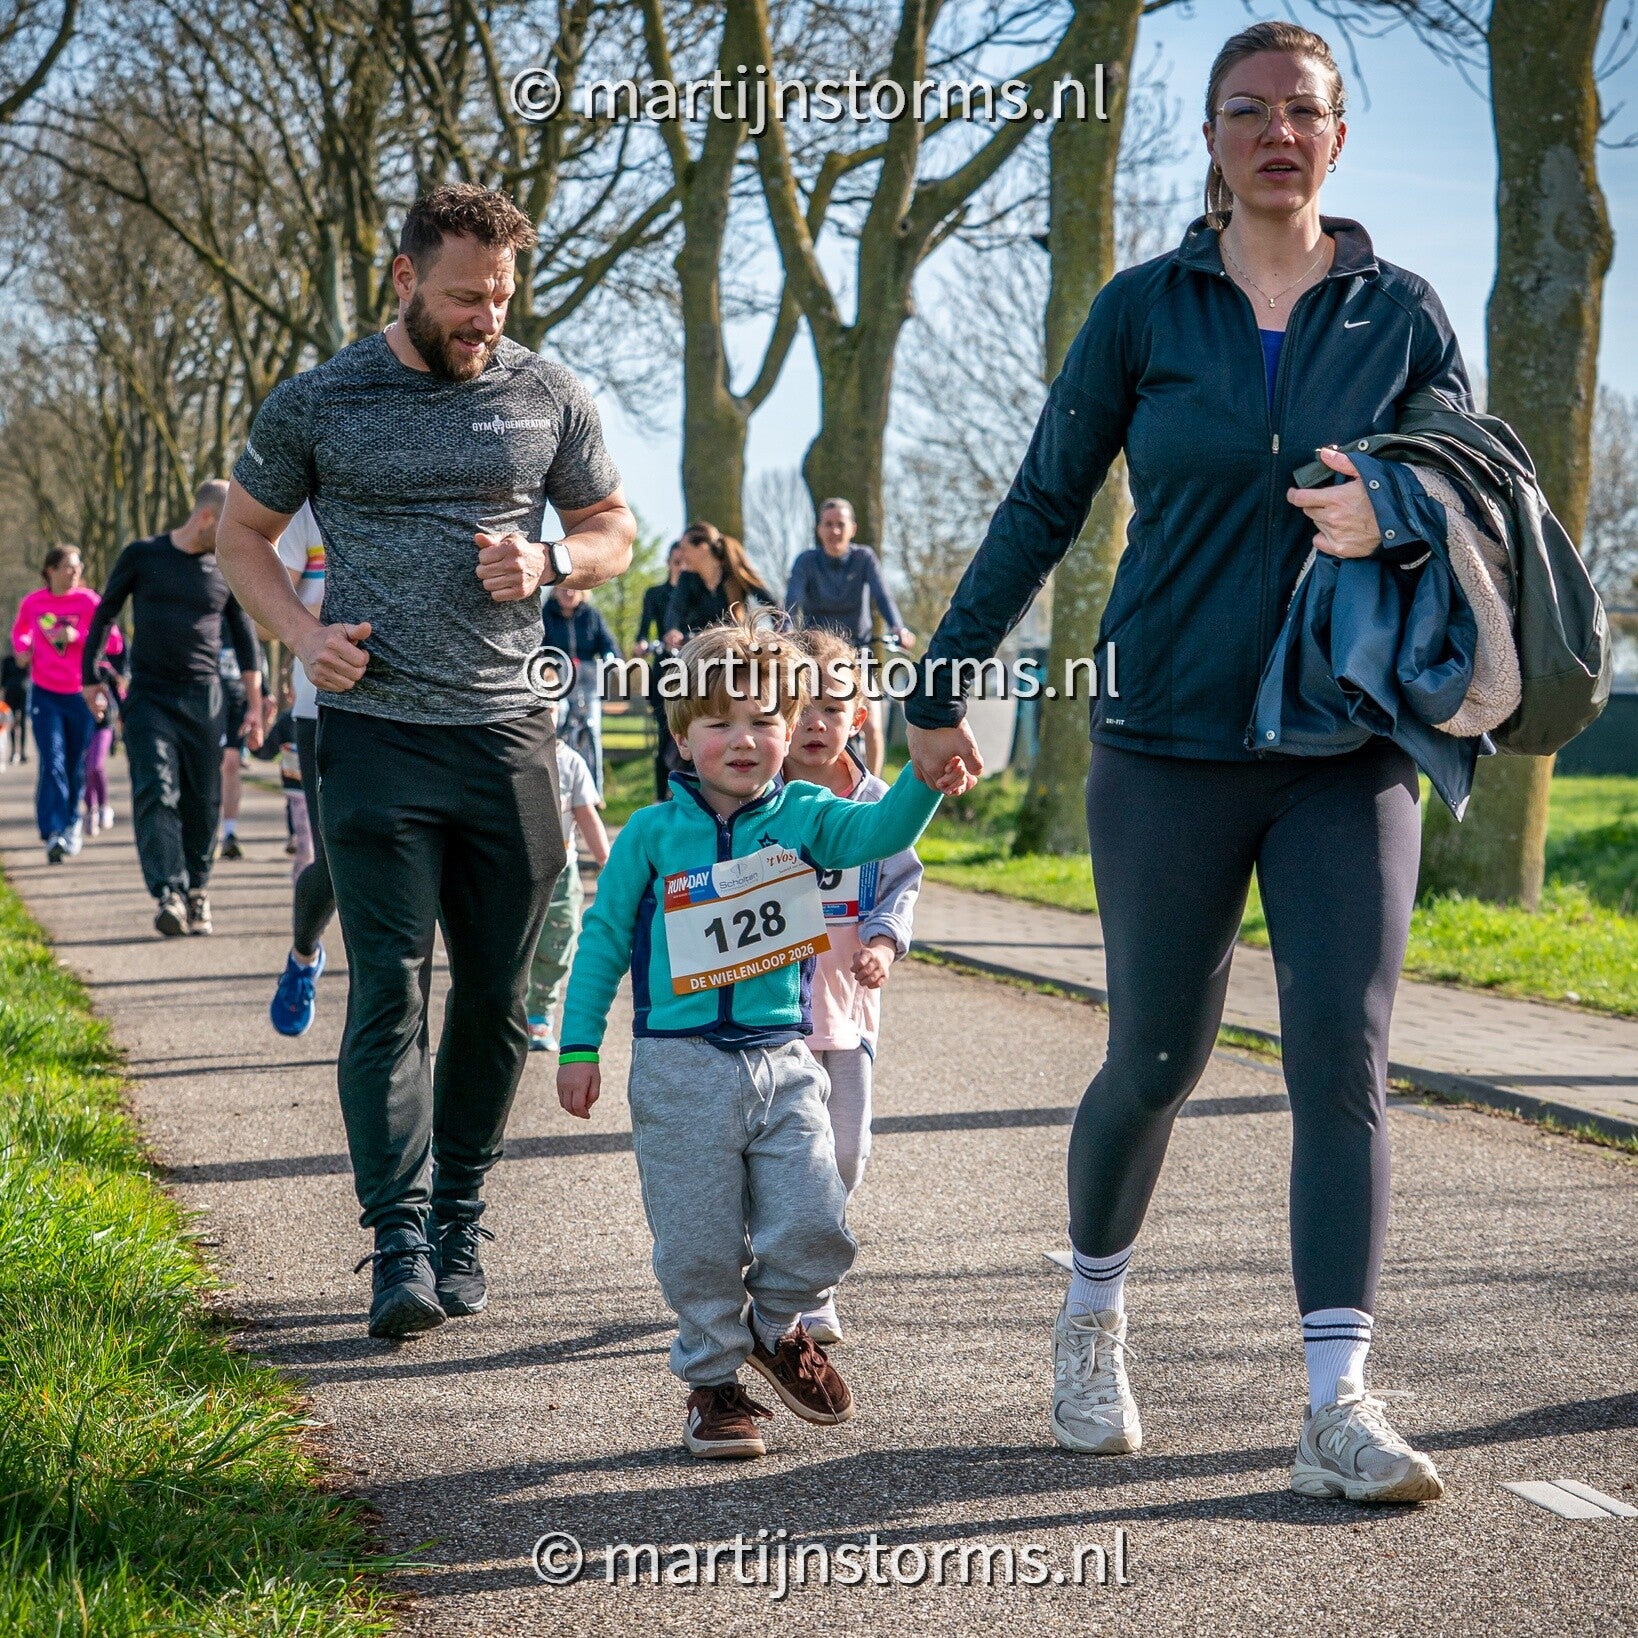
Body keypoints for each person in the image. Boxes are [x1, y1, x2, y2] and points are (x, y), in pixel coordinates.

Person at [903, 21, 1466, 1505]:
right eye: (1248, 110)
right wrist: (942, 680)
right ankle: (1091, 1311)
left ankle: (1337, 1403)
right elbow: (1043, 501)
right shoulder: (1144, 308)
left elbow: (1478, 493)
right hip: (1163, 738)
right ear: (1210, 137)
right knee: (1156, 1058)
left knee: (1342, 1057)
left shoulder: (1400, 315)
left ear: (1336, 137)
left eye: (1303, 111)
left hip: (1347, 742)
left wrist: (1396, 511)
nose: (1278, 132)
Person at [217, 182, 635, 1340]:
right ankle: (397, 1241)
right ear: (405, 279)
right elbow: (244, 536)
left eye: (499, 297)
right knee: (390, 990)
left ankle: (458, 1220)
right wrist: (300, 636)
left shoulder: (547, 393)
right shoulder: (320, 400)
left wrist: (550, 563)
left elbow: (613, 525)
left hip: (508, 736)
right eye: (463, 297)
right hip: (376, 734)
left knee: (499, 998)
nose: (484, 318)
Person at [556, 617, 955, 1461]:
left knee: (816, 1220)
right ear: (681, 735)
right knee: (697, 1246)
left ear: (791, 727)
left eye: (765, 721)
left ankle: (777, 1328)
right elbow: (601, 942)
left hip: (784, 1059)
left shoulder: (808, 814)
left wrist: (925, 779)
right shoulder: (650, 835)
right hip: (678, 1068)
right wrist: (579, 1047)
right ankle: (713, 1385)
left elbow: (882, 835)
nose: (744, 740)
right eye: (720, 722)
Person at [783, 628, 924, 1345]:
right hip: (768, 1018)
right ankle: (797, 1288)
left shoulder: (877, 804)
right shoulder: (757, 799)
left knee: (845, 1153)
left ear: (858, 719)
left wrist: (883, 943)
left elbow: (902, 880)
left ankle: (813, 1271)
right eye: (802, 707)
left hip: (847, 1013)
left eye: (832, 709)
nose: (816, 723)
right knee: (777, 1154)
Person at [84, 481, 264, 935]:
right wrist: (89, 677)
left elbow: (247, 641)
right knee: (156, 790)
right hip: (149, 696)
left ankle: (197, 888)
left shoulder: (226, 565)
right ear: (206, 517)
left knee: (203, 798)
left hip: (205, 698)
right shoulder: (142, 555)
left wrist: (256, 706)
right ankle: (169, 893)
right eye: (226, 524)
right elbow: (105, 614)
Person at [266, 502, 337, 1039]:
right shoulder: (305, 513)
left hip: (424, 705)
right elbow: (266, 613)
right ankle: (303, 955)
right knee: (335, 857)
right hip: (321, 705)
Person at [785, 498, 916, 776]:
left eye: (840, 524)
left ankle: (875, 789)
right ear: (819, 529)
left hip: (859, 652)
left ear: (852, 529)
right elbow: (793, 600)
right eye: (828, 524)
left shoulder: (864, 558)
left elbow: (883, 596)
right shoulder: (806, 561)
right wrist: (786, 627)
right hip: (816, 657)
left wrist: (897, 627)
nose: (834, 531)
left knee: (873, 724)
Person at [11, 545, 125, 863]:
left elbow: (114, 641)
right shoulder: (33, 603)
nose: (76, 572)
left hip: (81, 694)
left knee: (75, 765)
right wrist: (22, 648)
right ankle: (53, 831)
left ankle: (72, 822)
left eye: (78, 566)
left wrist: (79, 637)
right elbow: (20, 632)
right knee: (52, 762)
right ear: (50, 570)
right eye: (68, 567)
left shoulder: (89, 602)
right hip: (45, 694)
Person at [657, 522, 775, 797]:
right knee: (683, 709)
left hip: (734, 661)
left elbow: (769, 601)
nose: (681, 555)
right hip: (699, 660)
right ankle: (682, 775)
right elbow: (675, 611)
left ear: (702, 548)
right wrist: (672, 630)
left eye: (685, 548)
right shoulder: (687, 580)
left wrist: (781, 629)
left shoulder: (733, 573)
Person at [525, 726, 609, 1053]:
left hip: (560, 873)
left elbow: (586, 816)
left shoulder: (570, 762)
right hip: (509, 874)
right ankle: (507, 1013)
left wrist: (608, 865)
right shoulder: (504, 753)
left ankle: (539, 1012)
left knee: (557, 945)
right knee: (509, 949)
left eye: (551, 705)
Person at [541, 581, 620, 794]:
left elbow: (609, 645)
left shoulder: (591, 615)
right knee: (558, 721)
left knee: (592, 729)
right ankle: (555, 787)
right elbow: (539, 648)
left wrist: (612, 659)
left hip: (587, 682)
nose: (569, 592)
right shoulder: (545, 615)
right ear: (555, 591)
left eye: (574, 588)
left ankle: (595, 792)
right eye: (563, 588)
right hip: (557, 682)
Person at [634, 539, 685, 799]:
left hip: (693, 671)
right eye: (677, 562)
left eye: (686, 563)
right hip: (664, 670)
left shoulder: (696, 596)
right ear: (668, 564)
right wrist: (642, 644)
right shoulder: (655, 594)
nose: (681, 568)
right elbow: (643, 630)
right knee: (664, 734)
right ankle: (659, 797)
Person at [82, 640, 127, 835]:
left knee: (95, 765)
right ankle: (90, 811)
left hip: (104, 725)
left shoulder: (106, 670)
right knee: (85, 769)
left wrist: (124, 719)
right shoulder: (74, 670)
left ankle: (103, 806)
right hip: (82, 724)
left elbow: (120, 696)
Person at [216, 640, 251, 859]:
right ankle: (204, 829)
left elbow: (252, 656)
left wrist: (263, 695)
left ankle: (229, 833)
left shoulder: (239, 624)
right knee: (207, 765)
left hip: (237, 703)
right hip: (206, 700)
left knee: (231, 764)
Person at [3, 652, 30, 766]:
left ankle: (22, 752)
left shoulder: (26, 658)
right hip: (11, 695)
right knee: (12, 722)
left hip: (23, 693)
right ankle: (13, 751)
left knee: (22, 723)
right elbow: (3, 679)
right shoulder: (8, 660)